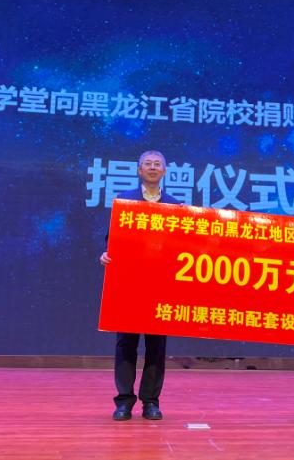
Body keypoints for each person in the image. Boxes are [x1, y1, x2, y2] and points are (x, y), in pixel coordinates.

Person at [99, 150, 181, 421]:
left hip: (160, 285)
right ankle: (124, 401)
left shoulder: (176, 206)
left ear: (165, 171)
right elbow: (113, 240)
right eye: (148, 164)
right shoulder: (125, 201)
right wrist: (106, 254)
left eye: (158, 164)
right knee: (126, 344)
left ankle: (151, 402)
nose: (153, 167)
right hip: (129, 284)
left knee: (156, 346)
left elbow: (181, 247)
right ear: (139, 170)